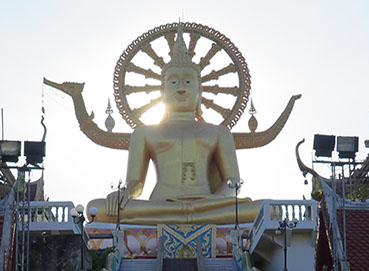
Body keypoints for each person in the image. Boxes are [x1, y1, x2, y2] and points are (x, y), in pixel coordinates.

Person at [87, 26, 261, 225]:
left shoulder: (219, 133)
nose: (180, 89)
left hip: (207, 203)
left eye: (188, 82)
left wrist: (219, 199)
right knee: (97, 208)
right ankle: (193, 216)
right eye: (173, 83)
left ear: (199, 91)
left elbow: (233, 183)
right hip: (162, 204)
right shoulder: (144, 133)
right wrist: (124, 193)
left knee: (268, 209)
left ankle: (193, 214)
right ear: (162, 92)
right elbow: (137, 183)